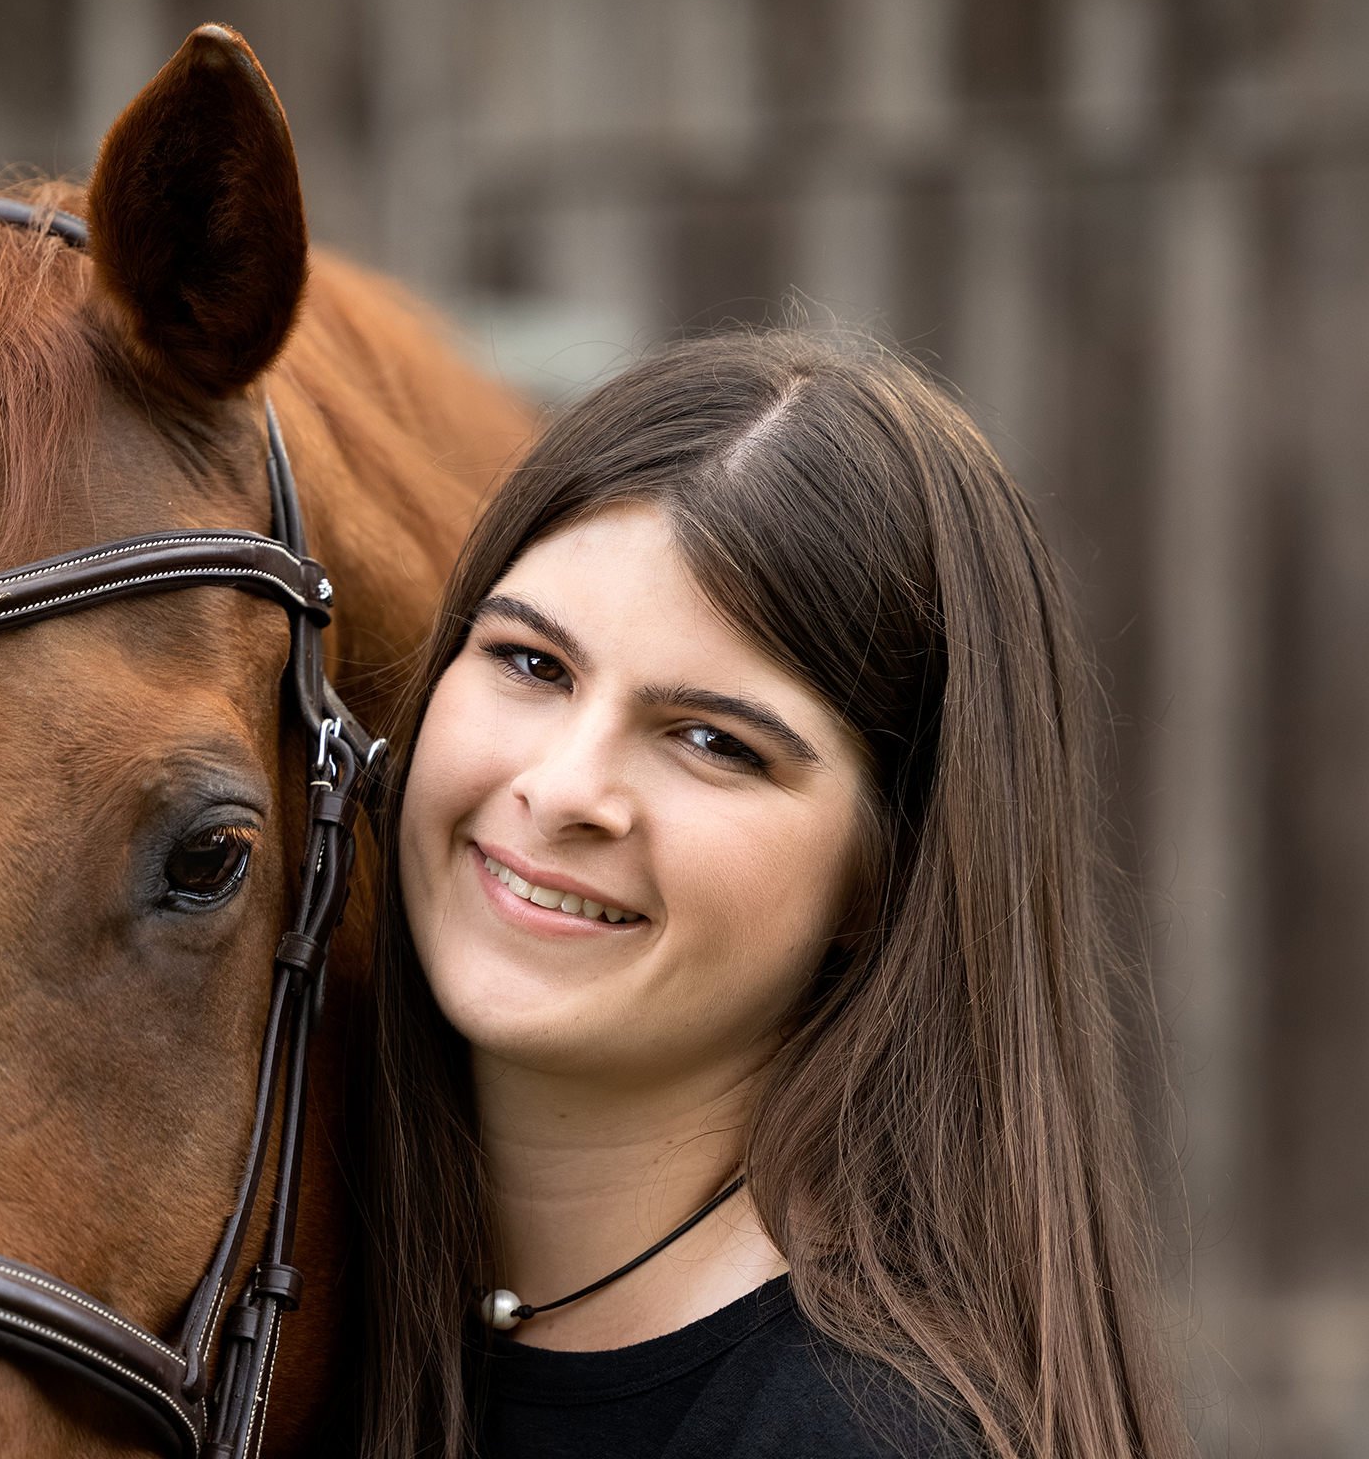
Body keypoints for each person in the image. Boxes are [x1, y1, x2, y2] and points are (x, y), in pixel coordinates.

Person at [356, 333, 1193, 1459]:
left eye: (711, 741)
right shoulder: (264, 1314)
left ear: (883, 876)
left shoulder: (858, 1433)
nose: (560, 791)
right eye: (530, 664)